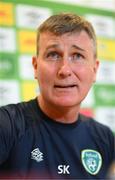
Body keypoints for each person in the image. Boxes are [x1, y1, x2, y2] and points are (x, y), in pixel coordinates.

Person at [0, 13, 114, 179]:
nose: (65, 70)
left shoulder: (105, 138)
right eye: (53, 54)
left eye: (77, 56)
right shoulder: (6, 125)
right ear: (35, 66)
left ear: (95, 70)